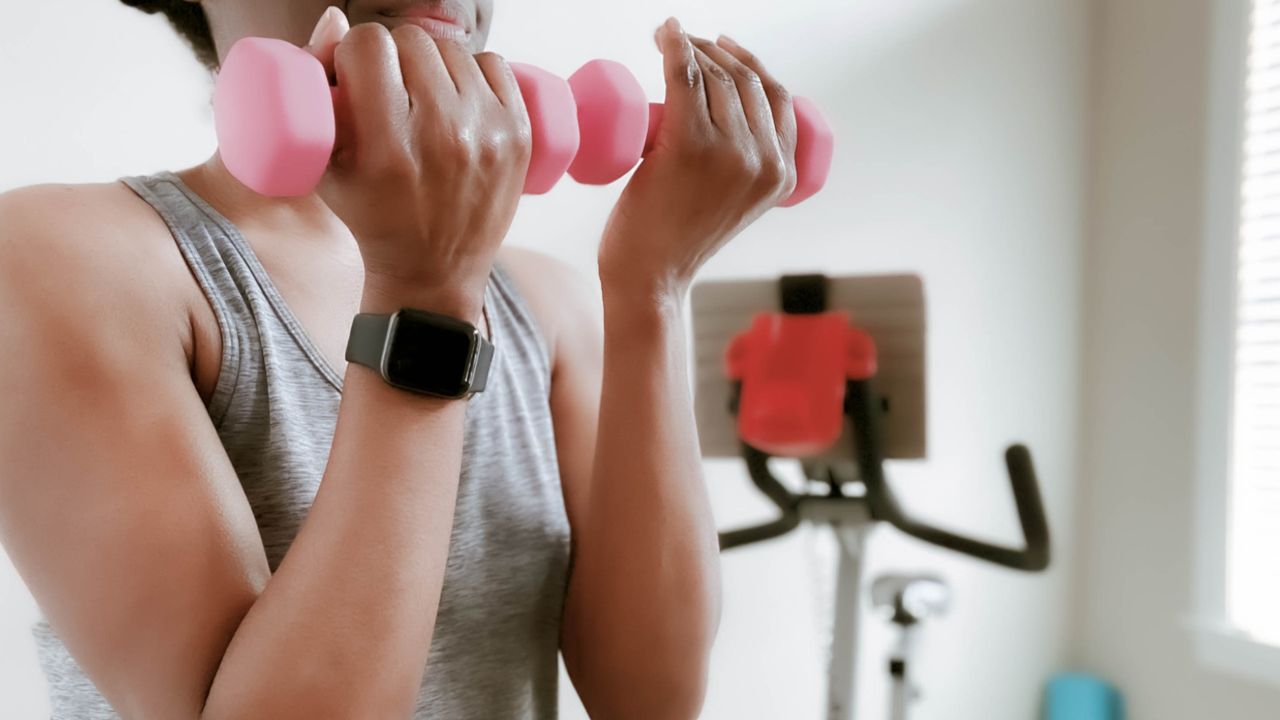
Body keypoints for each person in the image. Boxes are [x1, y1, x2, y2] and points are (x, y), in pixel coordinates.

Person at [0, 1, 801, 718]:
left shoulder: (548, 307)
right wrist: (427, 291)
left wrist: (652, 288)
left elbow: (651, 702)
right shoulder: (57, 260)